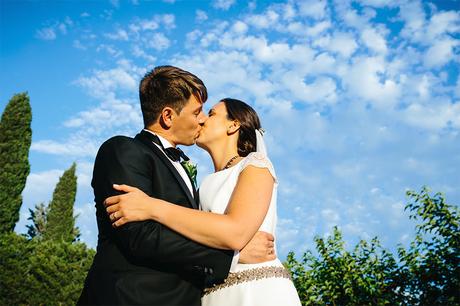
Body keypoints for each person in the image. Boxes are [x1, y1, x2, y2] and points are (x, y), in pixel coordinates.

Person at [78, 66, 275, 306]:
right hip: (133, 298)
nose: (202, 119)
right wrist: (231, 257)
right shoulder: (123, 150)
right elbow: (141, 235)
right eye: (198, 112)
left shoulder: (208, 173)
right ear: (168, 116)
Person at [104, 98, 302, 305]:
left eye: (212, 113)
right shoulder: (203, 184)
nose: (202, 120)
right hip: (211, 295)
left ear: (233, 125)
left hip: (255, 289)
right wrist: (234, 255)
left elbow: (235, 232)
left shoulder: (255, 165)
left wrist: (152, 206)